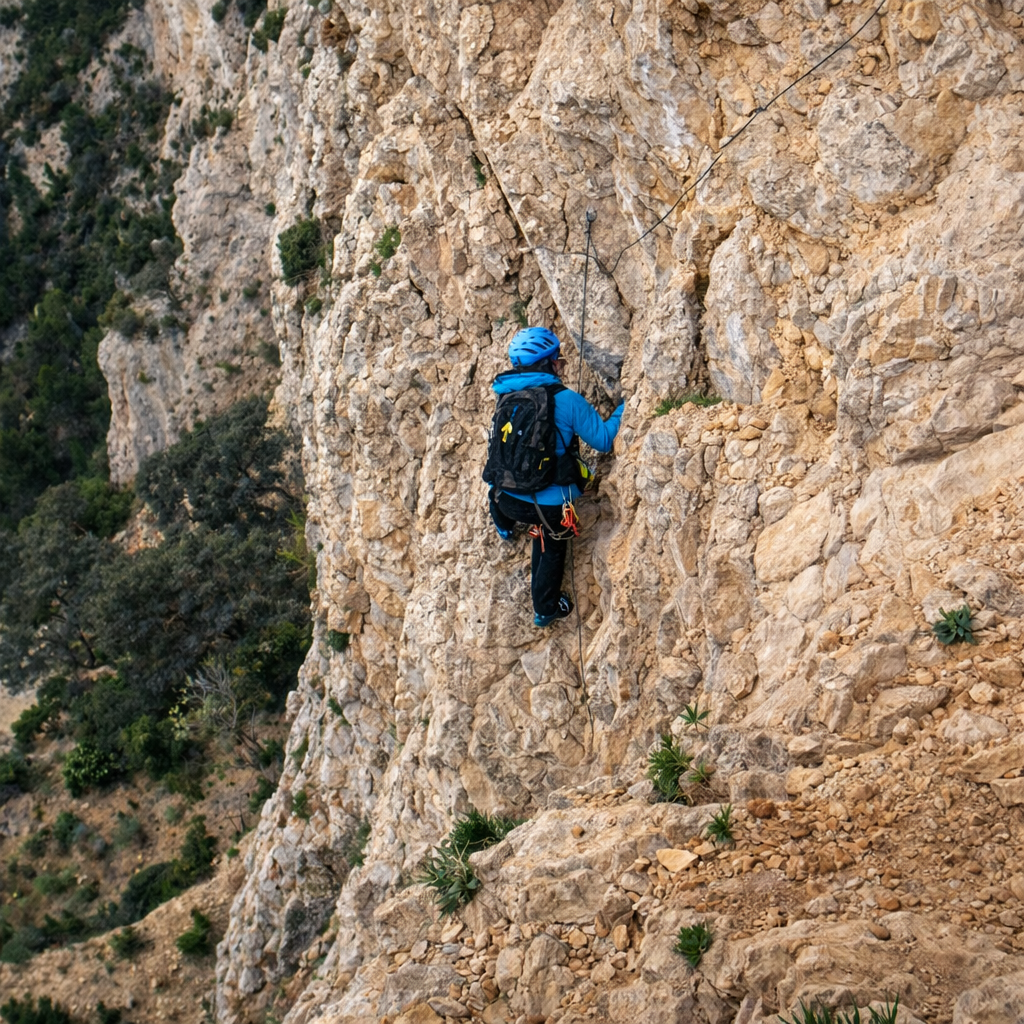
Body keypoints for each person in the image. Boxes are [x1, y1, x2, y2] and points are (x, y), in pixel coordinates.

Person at [486, 327, 624, 627]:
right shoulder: (566, 399)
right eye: (558, 359)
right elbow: (603, 439)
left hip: (504, 497)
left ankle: (505, 527)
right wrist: (626, 408)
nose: (562, 364)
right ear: (547, 363)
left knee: (497, 488)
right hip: (546, 509)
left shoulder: (506, 395)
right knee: (551, 541)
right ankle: (546, 607)